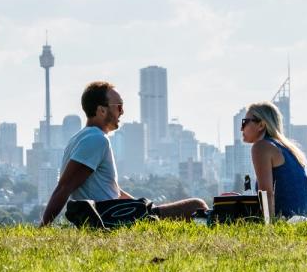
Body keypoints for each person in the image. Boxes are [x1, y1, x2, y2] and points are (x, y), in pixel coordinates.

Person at [40, 81, 208, 226]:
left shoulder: (79, 138)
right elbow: (64, 186)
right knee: (197, 206)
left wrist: (141, 208)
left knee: (187, 209)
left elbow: (113, 192)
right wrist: (43, 226)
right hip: (111, 217)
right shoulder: (95, 139)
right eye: (119, 107)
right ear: (101, 111)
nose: (122, 112)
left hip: (116, 212)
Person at [241, 101, 307, 217]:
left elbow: (266, 194)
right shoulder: (288, 148)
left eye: (245, 122)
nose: (242, 128)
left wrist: (268, 229)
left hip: (289, 221)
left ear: (261, 125)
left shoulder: (261, 146)